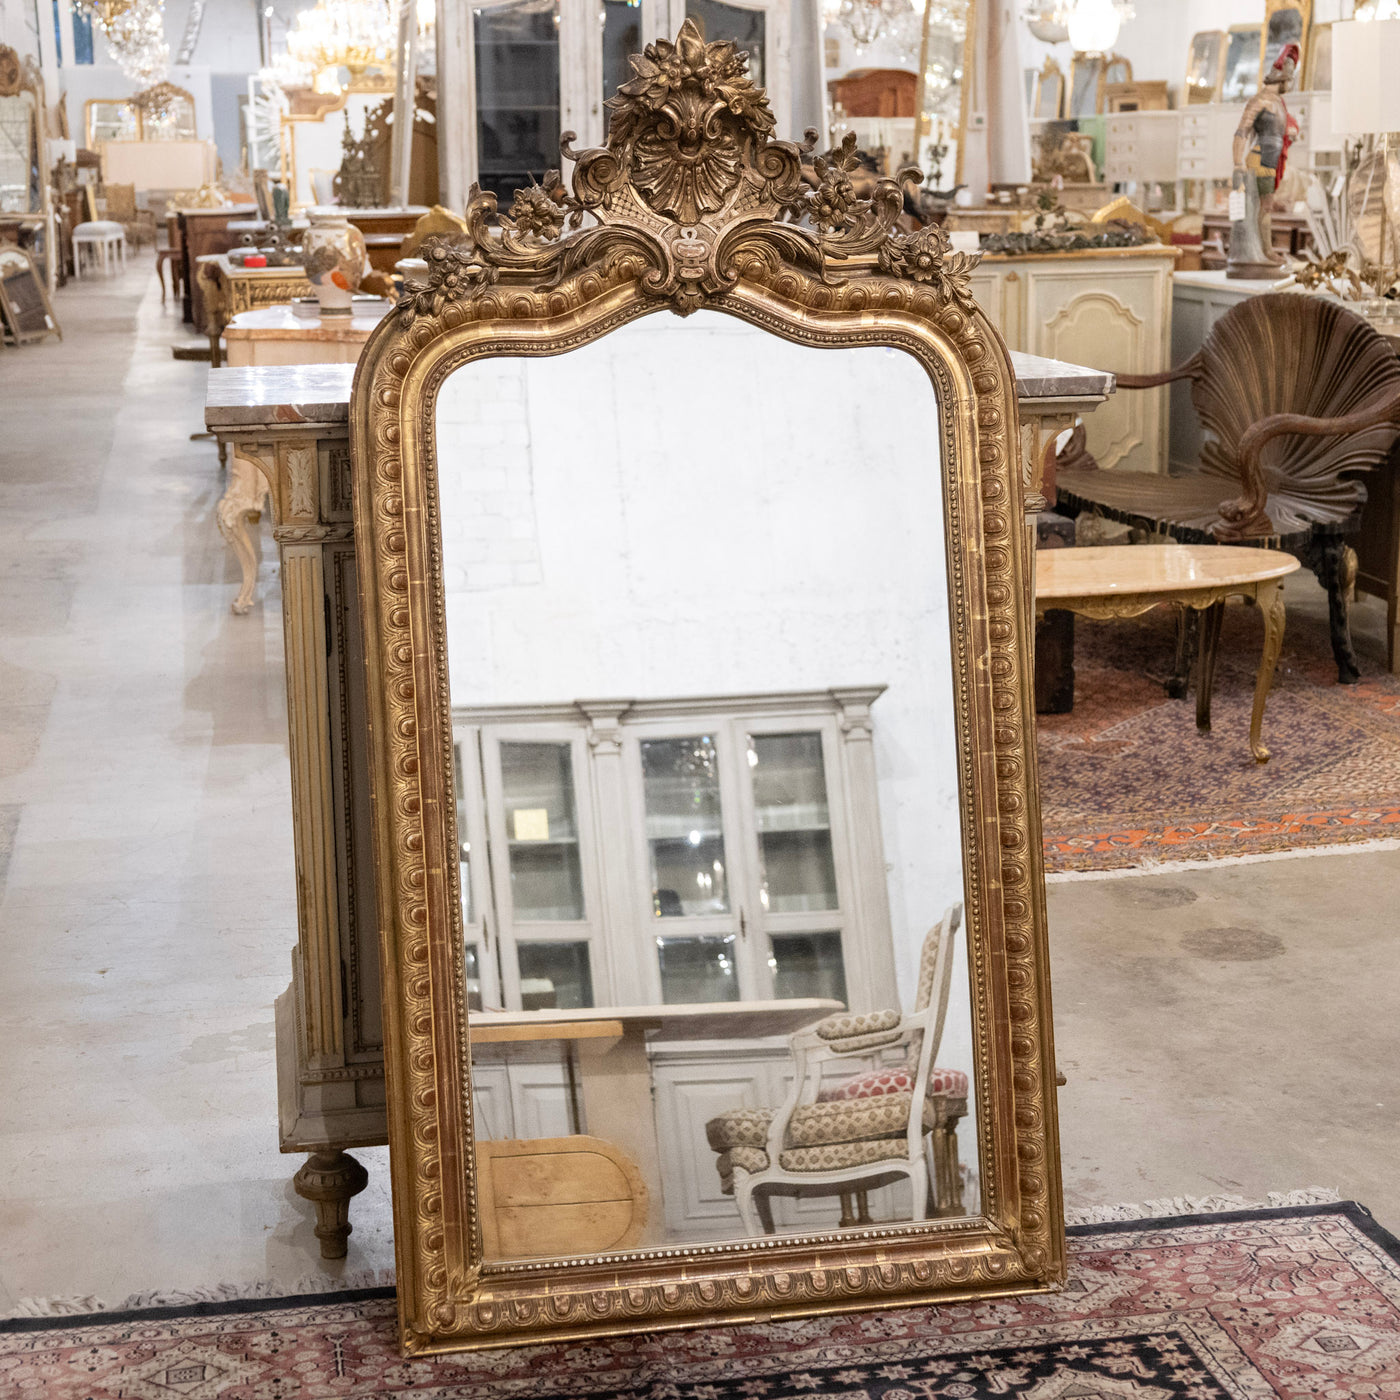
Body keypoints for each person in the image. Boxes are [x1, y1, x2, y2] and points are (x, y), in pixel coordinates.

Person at [1227, 42, 1300, 279]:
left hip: (1270, 161)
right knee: (1260, 207)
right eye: (1289, 79)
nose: (1290, 84)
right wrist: (1238, 163)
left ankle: (1264, 250)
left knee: (1264, 207)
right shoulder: (1259, 101)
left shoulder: (1278, 103)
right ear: (1283, 78)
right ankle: (1264, 251)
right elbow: (1241, 132)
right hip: (1259, 160)